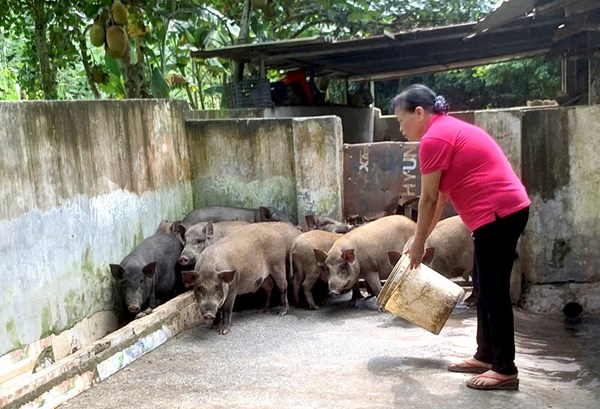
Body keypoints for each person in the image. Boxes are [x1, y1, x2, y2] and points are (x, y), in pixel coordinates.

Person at [393, 84, 530, 391]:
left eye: (401, 121)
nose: (400, 129)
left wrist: (417, 245)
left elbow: (427, 200)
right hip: (503, 212)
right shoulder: (445, 130)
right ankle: (486, 355)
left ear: (419, 113)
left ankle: (505, 368)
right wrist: (421, 239)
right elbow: (441, 197)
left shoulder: (434, 138)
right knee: (483, 285)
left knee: (493, 291)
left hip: (498, 214)